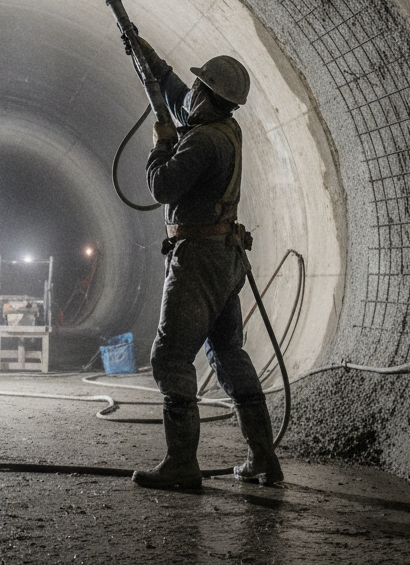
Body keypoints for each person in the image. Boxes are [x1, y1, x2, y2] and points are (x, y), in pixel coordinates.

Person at [125, 37, 283, 490]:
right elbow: (175, 92)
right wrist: (144, 52)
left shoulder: (202, 143)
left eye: (199, 85)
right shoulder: (223, 127)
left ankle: (181, 465)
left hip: (198, 263)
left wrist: (160, 144)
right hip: (226, 260)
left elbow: (162, 188)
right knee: (228, 352)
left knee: (171, 356)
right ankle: (262, 459)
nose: (190, 90)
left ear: (209, 94)